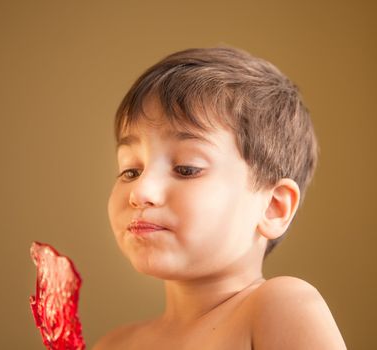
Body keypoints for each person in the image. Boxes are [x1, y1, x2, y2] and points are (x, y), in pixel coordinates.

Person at [95, 46, 346, 349]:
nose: (140, 192)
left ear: (273, 207)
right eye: (130, 171)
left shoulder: (279, 307)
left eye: (187, 168)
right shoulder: (113, 344)